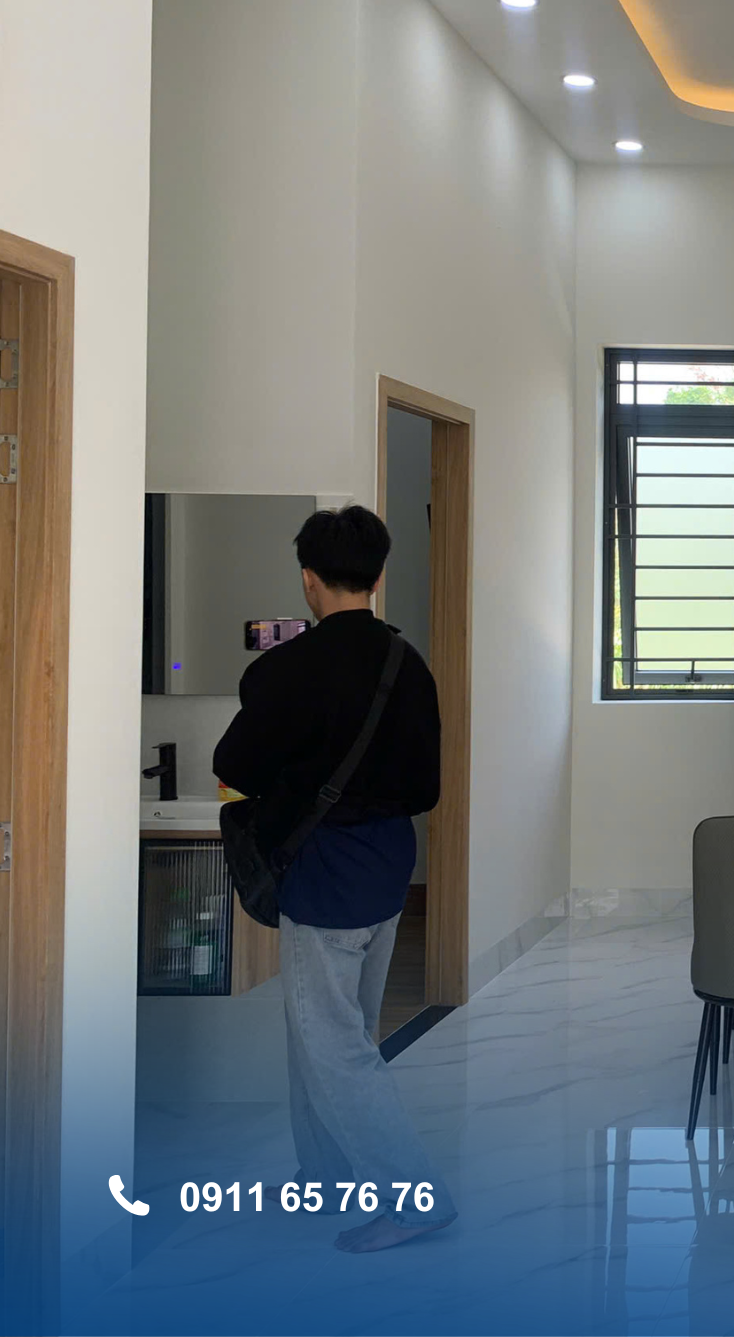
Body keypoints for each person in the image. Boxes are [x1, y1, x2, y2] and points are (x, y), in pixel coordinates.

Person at [214, 505, 457, 1253]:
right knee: (328, 1031)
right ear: (378, 578)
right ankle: (323, 1177)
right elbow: (425, 787)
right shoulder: (409, 666)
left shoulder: (284, 670)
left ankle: (413, 1198)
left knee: (332, 1044)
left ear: (309, 580)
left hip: (324, 877)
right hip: (387, 867)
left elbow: (234, 765)